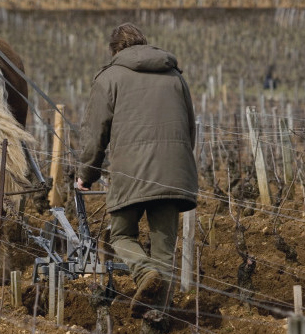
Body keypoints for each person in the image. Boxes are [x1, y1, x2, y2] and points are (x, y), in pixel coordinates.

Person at [76, 22, 198, 319]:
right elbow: (189, 128)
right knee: (164, 249)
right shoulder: (175, 77)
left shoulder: (110, 78)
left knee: (120, 235)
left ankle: (144, 274)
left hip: (130, 174)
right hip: (174, 172)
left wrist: (86, 174)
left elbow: (96, 134)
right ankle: (157, 318)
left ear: (115, 49)